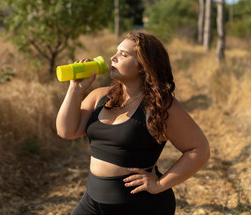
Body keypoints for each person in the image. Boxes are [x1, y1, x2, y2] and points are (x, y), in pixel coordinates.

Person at [56, 31, 210, 215]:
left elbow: (199, 149)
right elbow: (67, 131)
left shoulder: (160, 106)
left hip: (139, 206)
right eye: (116, 52)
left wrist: (160, 183)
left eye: (124, 55)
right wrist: (75, 89)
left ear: (142, 67)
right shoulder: (98, 96)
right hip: (92, 201)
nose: (113, 58)